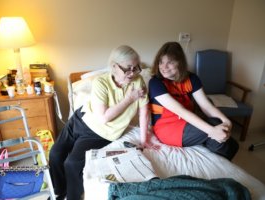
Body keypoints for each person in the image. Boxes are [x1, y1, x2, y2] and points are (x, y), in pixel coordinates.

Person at [49, 45, 150, 200]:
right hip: (80, 119)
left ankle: (72, 197)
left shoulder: (138, 82)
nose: (133, 73)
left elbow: (143, 112)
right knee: (55, 154)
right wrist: (130, 99)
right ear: (114, 67)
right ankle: (58, 192)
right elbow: (103, 115)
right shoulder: (100, 82)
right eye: (128, 68)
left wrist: (144, 141)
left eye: (136, 68)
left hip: (101, 133)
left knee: (72, 163)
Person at [148, 42, 239, 160]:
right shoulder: (155, 82)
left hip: (188, 122)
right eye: (161, 62)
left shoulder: (192, 79)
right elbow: (180, 111)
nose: (164, 67)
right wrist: (212, 130)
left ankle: (218, 159)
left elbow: (206, 106)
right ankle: (224, 156)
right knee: (225, 139)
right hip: (167, 128)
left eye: (170, 62)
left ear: (180, 62)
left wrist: (227, 121)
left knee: (219, 126)